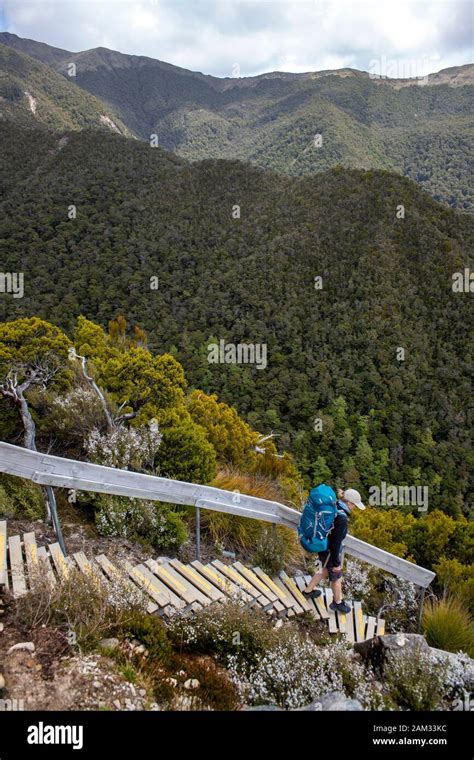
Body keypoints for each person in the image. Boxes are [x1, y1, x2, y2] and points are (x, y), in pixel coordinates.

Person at [301, 487, 365, 614]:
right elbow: (336, 543)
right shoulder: (342, 518)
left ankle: (308, 591)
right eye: (355, 506)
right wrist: (336, 563)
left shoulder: (334, 505)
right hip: (330, 550)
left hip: (322, 543)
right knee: (336, 575)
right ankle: (337, 603)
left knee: (324, 570)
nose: (355, 508)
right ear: (350, 503)